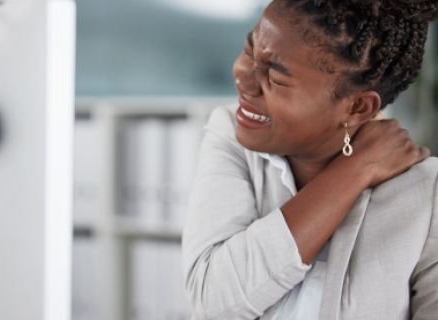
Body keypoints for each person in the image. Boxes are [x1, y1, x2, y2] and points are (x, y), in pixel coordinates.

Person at [181, 0, 438, 319]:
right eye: (249, 51)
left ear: (357, 108)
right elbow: (212, 300)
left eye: (275, 76)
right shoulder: (231, 136)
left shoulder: (428, 195)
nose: (243, 80)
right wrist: (355, 169)